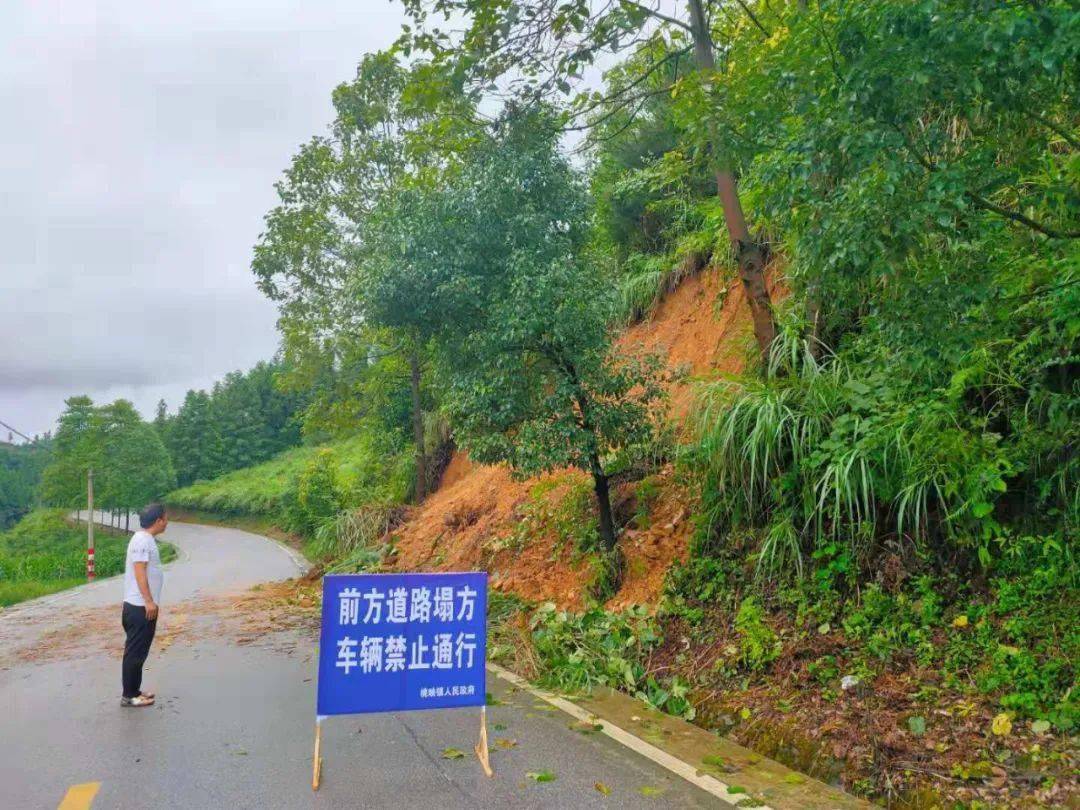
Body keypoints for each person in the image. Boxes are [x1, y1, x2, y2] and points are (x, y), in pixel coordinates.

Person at [120, 502, 168, 707]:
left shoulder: (146, 539)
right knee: (135, 652)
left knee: (140, 651)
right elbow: (140, 570)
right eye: (166, 518)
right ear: (158, 521)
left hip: (143, 606)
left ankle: (135, 690)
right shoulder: (142, 541)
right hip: (139, 607)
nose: (167, 522)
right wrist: (148, 601)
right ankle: (129, 696)